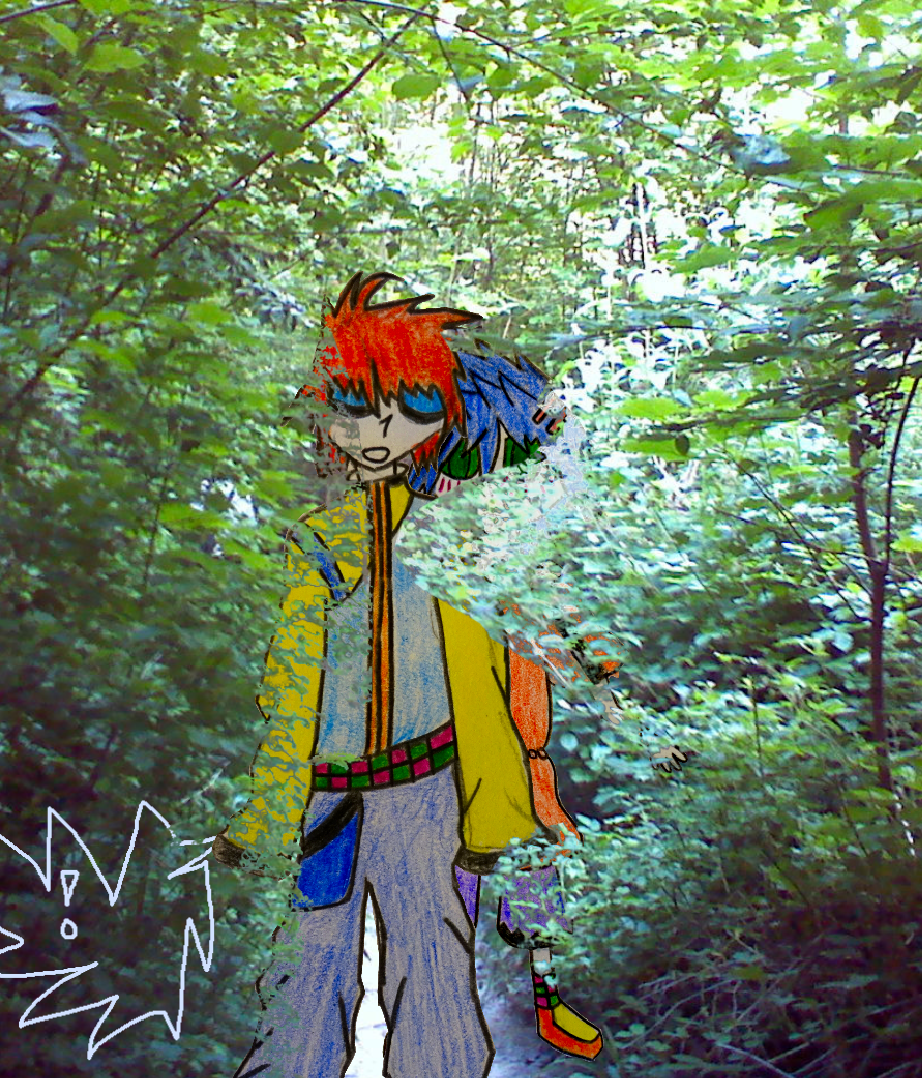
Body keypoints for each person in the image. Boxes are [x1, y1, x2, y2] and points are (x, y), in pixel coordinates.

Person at [215, 272, 609, 1077]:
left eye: (408, 409)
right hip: (325, 799)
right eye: (355, 408)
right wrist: (266, 816)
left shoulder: (456, 536)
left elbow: (542, 626)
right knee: (303, 989)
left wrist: (615, 703)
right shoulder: (321, 542)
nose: (376, 431)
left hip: (429, 792)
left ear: (441, 416)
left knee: (433, 986)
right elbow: (291, 691)